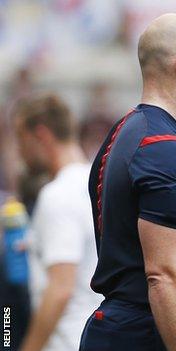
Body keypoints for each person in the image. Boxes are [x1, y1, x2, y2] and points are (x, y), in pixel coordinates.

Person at [79, 13, 176, 351]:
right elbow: (164, 275)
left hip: (121, 327)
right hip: (143, 334)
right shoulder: (163, 149)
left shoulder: (125, 131)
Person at [11, 94, 102, 351]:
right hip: (94, 335)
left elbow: (60, 288)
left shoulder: (58, 194)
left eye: (21, 141)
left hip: (65, 341)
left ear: (40, 135)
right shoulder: (96, 182)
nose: (20, 153)